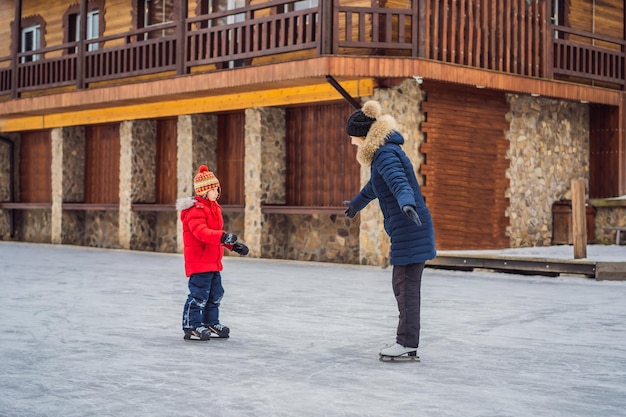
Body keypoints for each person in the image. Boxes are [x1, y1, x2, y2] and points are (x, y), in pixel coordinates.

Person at [344, 100, 436, 359]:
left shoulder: (384, 154)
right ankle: (408, 341)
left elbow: (398, 182)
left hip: (410, 227)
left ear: (363, 136)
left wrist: (406, 203)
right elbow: (376, 186)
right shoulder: (384, 152)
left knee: (404, 287)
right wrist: (355, 205)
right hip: (409, 228)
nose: (352, 143)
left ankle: (406, 342)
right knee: (403, 285)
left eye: (353, 138)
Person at [176, 165, 249, 341]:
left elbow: (215, 236)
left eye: (217, 188)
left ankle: (210, 321)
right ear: (204, 191)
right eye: (213, 189)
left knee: (216, 294)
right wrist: (224, 236)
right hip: (199, 262)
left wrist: (233, 245)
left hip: (213, 261)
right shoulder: (195, 211)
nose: (217, 192)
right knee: (199, 295)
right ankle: (191, 325)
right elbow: (202, 233)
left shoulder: (214, 209)